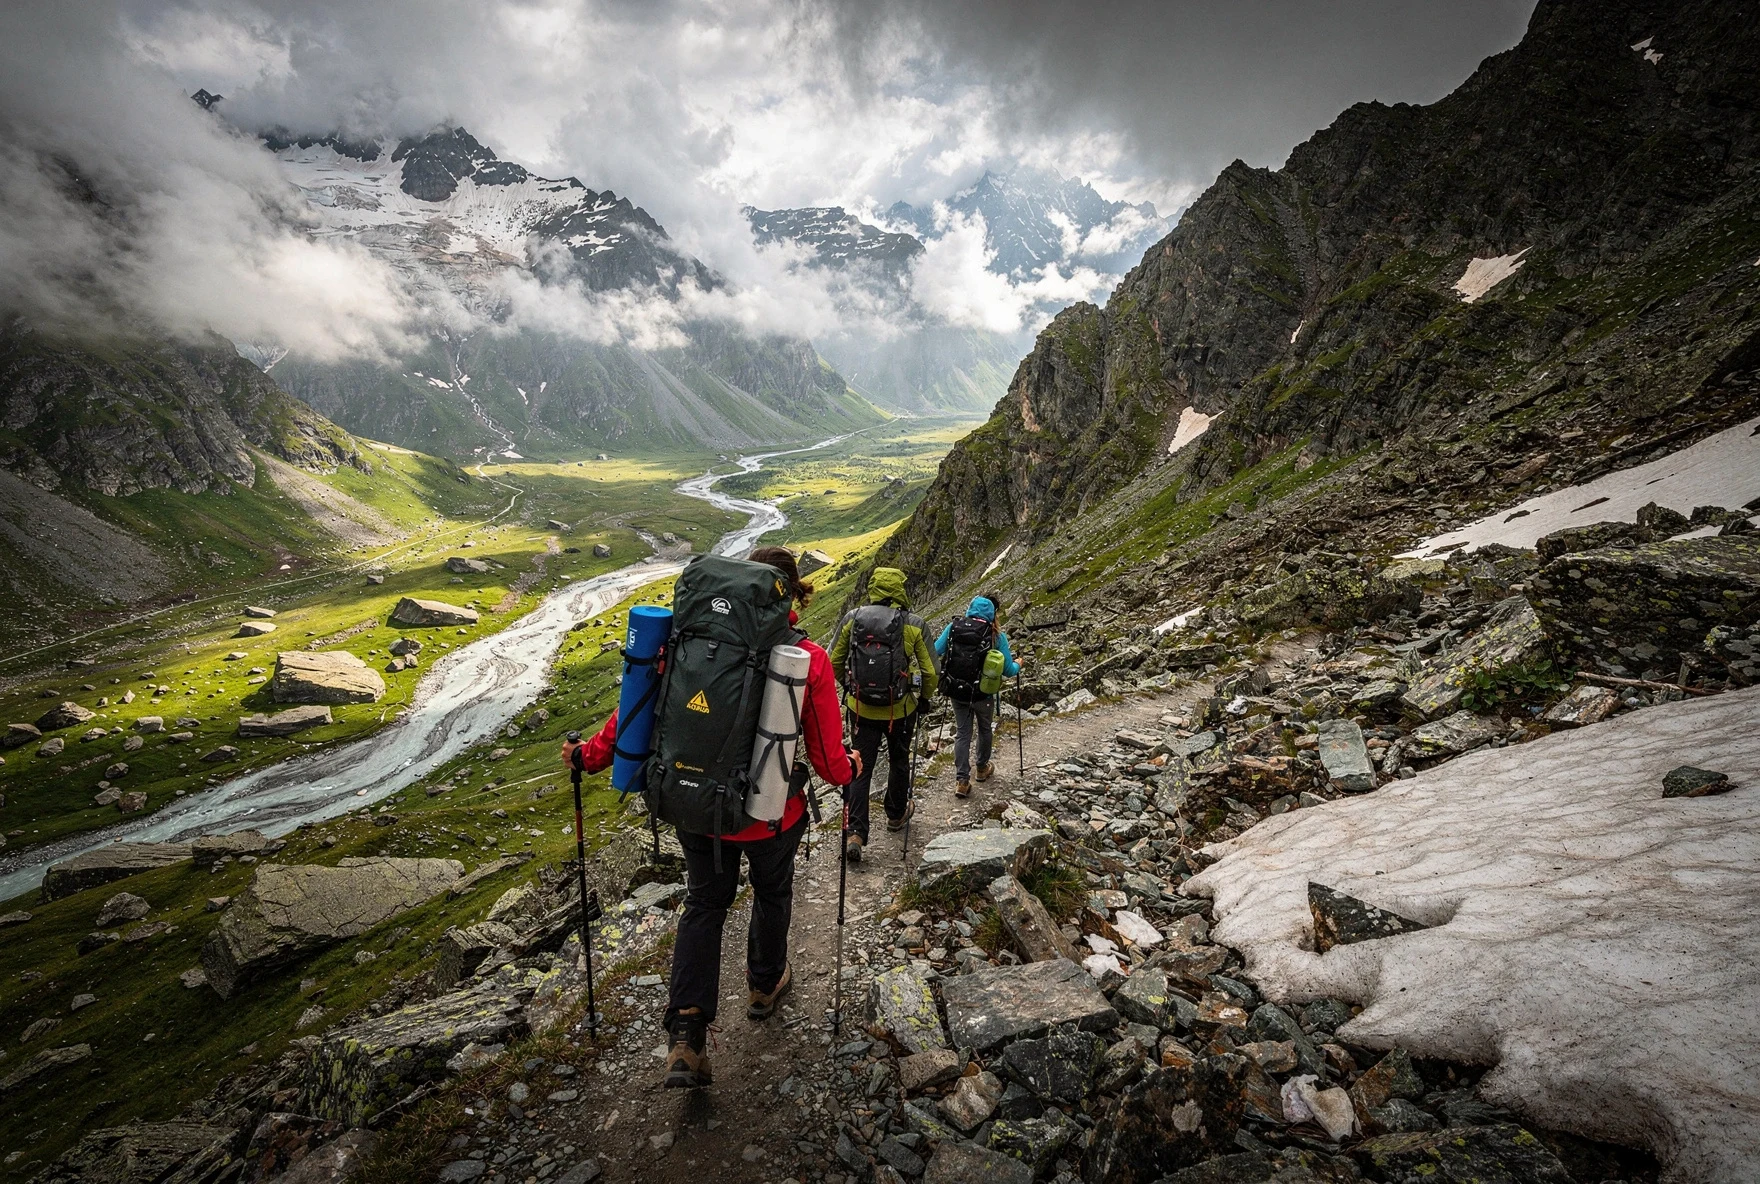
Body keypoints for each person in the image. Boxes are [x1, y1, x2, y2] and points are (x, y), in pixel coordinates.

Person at [568, 546, 860, 1089]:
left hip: (695, 805)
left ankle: (686, 1034)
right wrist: (850, 771)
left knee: (704, 902)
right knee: (773, 891)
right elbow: (827, 759)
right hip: (772, 813)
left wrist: (589, 755)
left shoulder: (686, 641)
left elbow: (638, 709)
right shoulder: (808, 658)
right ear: (791, 594)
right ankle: (764, 984)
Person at [828, 566, 938, 862]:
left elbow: (833, 660)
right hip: (900, 710)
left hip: (861, 709)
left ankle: (856, 832)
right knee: (899, 762)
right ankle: (896, 814)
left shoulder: (853, 619)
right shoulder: (913, 624)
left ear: (874, 588)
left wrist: (850, 687)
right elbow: (930, 670)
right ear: (900, 589)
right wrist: (924, 698)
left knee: (860, 767)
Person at [933, 594, 1020, 798]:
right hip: (983, 693)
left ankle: (962, 780)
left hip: (957, 690)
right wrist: (1019, 665)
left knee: (963, 733)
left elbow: (935, 651)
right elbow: (1008, 670)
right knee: (984, 729)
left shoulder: (953, 627)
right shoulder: (995, 635)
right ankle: (981, 768)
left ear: (970, 609)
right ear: (991, 614)